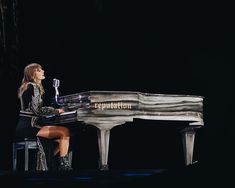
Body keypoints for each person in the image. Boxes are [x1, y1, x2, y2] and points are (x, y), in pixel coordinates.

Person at [15, 63, 72, 171]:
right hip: (30, 126)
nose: (43, 71)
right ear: (33, 73)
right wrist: (56, 110)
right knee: (64, 132)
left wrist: (51, 112)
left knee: (60, 141)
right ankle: (64, 166)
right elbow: (37, 110)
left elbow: (34, 109)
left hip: (24, 125)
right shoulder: (33, 86)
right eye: (39, 70)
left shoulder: (26, 86)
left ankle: (44, 161)